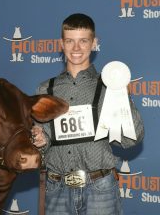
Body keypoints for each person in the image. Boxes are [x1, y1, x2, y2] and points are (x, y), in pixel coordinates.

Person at [32, 13, 144, 215]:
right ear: (61, 44)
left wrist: (124, 98)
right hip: (57, 189)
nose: (76, 48)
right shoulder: (45, 89)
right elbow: (44, 143)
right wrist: (39, 141)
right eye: (70, 41)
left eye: (83, 41)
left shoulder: (109, 85)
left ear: (94, 43)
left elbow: (130, 141)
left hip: (100, 189)